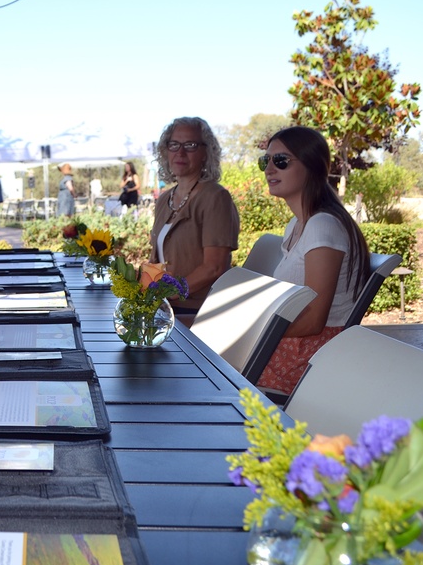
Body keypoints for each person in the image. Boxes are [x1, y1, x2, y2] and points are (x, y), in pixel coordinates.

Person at [256, 126, 371, 395]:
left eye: (281, 161)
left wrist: (252, 331)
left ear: (312, 166)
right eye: (266, 160)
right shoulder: (298, 224)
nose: (269, 169)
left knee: (200, 362)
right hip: (291, 344)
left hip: (307, 354)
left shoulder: (323, 226)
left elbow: (313, 321)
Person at [149, 117, 240, 316]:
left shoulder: (216, 197)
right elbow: (155, 261)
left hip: (198, 312)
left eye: (190, 145)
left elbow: (214, 267)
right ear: (165, 151)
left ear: (205, 153)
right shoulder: (164, 199)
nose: (180, 152)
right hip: (166, 308)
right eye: (174, 145)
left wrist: (172, 292)